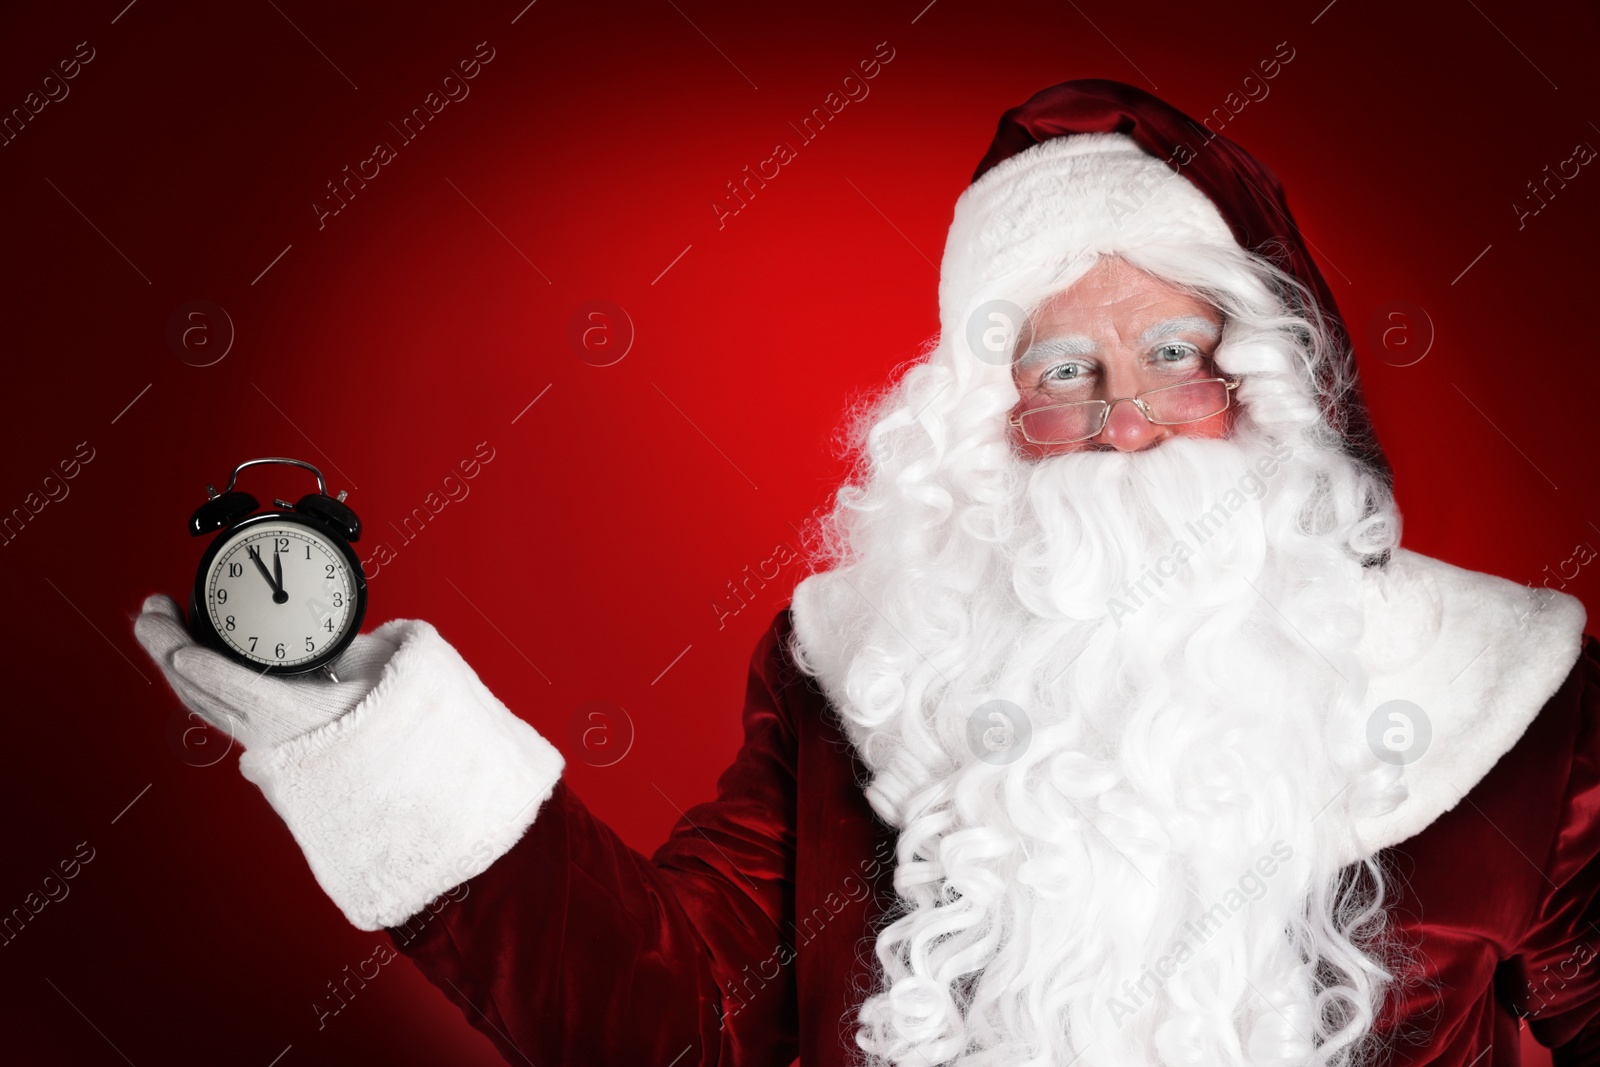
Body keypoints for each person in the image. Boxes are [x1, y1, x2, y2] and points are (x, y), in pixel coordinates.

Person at [133, 80, 1600, 1066]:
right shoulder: (859, 672)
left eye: (1173, 355)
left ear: (1264, 384)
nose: (1122, 415)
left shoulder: (1501, 696)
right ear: (991, 422)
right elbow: (679, 1013)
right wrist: (377, 751)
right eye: (1065, 366)